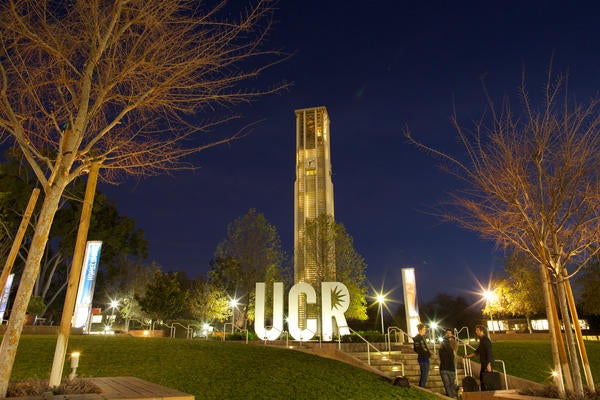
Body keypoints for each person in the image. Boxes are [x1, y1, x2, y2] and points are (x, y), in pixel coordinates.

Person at [464, 325, 494, 389]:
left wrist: (489, 364)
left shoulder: (486, 340)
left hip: (486, 363)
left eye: (477, 330)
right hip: (483, 363)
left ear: (481, 331)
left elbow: (489, 352)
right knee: (482, 379)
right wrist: (468, 356)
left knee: (485, 380)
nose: (476, 332)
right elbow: (478, 351)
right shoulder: (482, 340)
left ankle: (487, 394)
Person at [439, 328, 458, 397]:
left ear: (452, 334)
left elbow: (454, 351)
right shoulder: (443, 342)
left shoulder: (454, 342)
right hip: (445, 364)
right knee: (447, 383)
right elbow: (440, 352)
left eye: (449, 333)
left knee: (451, 381)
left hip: (452, 362)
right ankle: (451, 395)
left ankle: (453, 390)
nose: (448, 334)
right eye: (447, 333)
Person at [413, 323, 431, 388]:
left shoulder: (421, 338)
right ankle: (422, 387)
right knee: (424, 373)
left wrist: (428, 353)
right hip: (423, 357)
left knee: (424, 373)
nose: (425, 331)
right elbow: (416, 348)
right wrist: (426, 353)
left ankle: (422, 386)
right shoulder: (418, 338)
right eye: (424, 329)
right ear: (420, 330)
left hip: (424, 357)